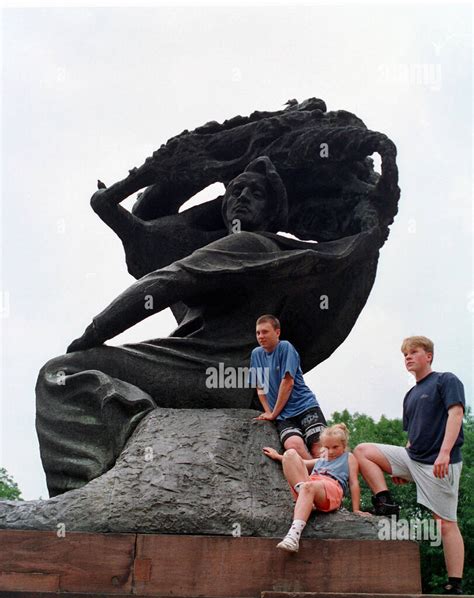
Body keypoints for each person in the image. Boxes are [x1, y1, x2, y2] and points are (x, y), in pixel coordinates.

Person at [36, 155, 380, 497]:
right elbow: (159, 256)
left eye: (255, 193)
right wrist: (116, 214)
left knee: (62, 373)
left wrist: (93, 334)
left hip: (210, 372)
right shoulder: (248, 256)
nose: (242, 197)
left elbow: (168, 281)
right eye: (235, 192)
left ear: (272, 213)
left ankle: (82, 491)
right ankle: (133, 446)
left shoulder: (249, 244)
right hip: (221, 374)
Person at [354, 336, 466, 595]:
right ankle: (385, 503)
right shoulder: (410, 394)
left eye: (413, 352)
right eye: (405, 354)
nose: (407, 357)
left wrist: (444, 453)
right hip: (413, 457)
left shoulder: (446, 380)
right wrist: (402, 466)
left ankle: (455, 584)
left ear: (428, 356)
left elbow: (456, 414)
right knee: (363, 451)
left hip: (440, 462)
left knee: (445, 523)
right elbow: (412, 435)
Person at [263, 423, 369, 552]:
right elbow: (301, 463)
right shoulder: (322, 459)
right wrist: (277, 456)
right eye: (327, 447)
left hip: (331, 488)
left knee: (308, 486)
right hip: (310, 484)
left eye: (335, 447)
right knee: (290, 454)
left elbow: (354, 483)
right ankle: (306, 498)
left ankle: (293, 536)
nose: (330, 451)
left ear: (344, 445)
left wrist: (356, 509)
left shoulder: (349, 457)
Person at [250, 315, 326, 458]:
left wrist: (273, 413)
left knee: (318, 449)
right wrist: (268, 411)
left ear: (277, 332)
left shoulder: (285, 347)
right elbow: (260, 386)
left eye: (265, 332)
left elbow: (288, 383)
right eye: (258, 333)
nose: (260, 336)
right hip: (283, 416)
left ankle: (325, 478)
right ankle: (310, 478)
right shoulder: (256, 354)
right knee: (294, 446)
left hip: (304, 407)